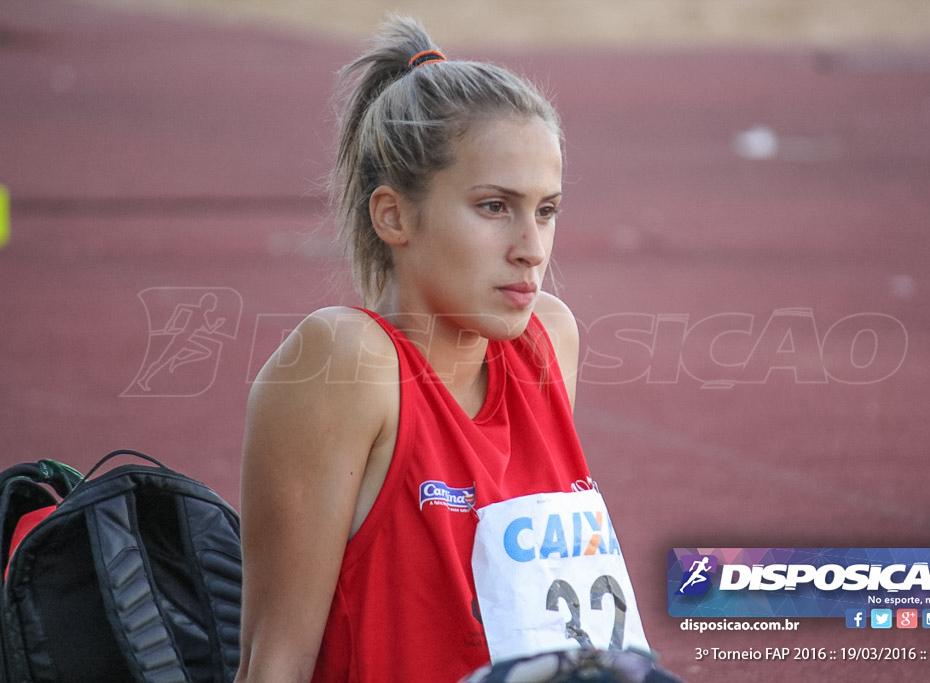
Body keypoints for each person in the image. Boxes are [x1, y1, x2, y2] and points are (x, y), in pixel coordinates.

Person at [235, 16, 647, 683]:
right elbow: (274, 662)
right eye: (494, 206)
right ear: (393, 215)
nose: (531, 247)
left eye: (546, 210)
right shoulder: (348, 362)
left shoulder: (549, 340)